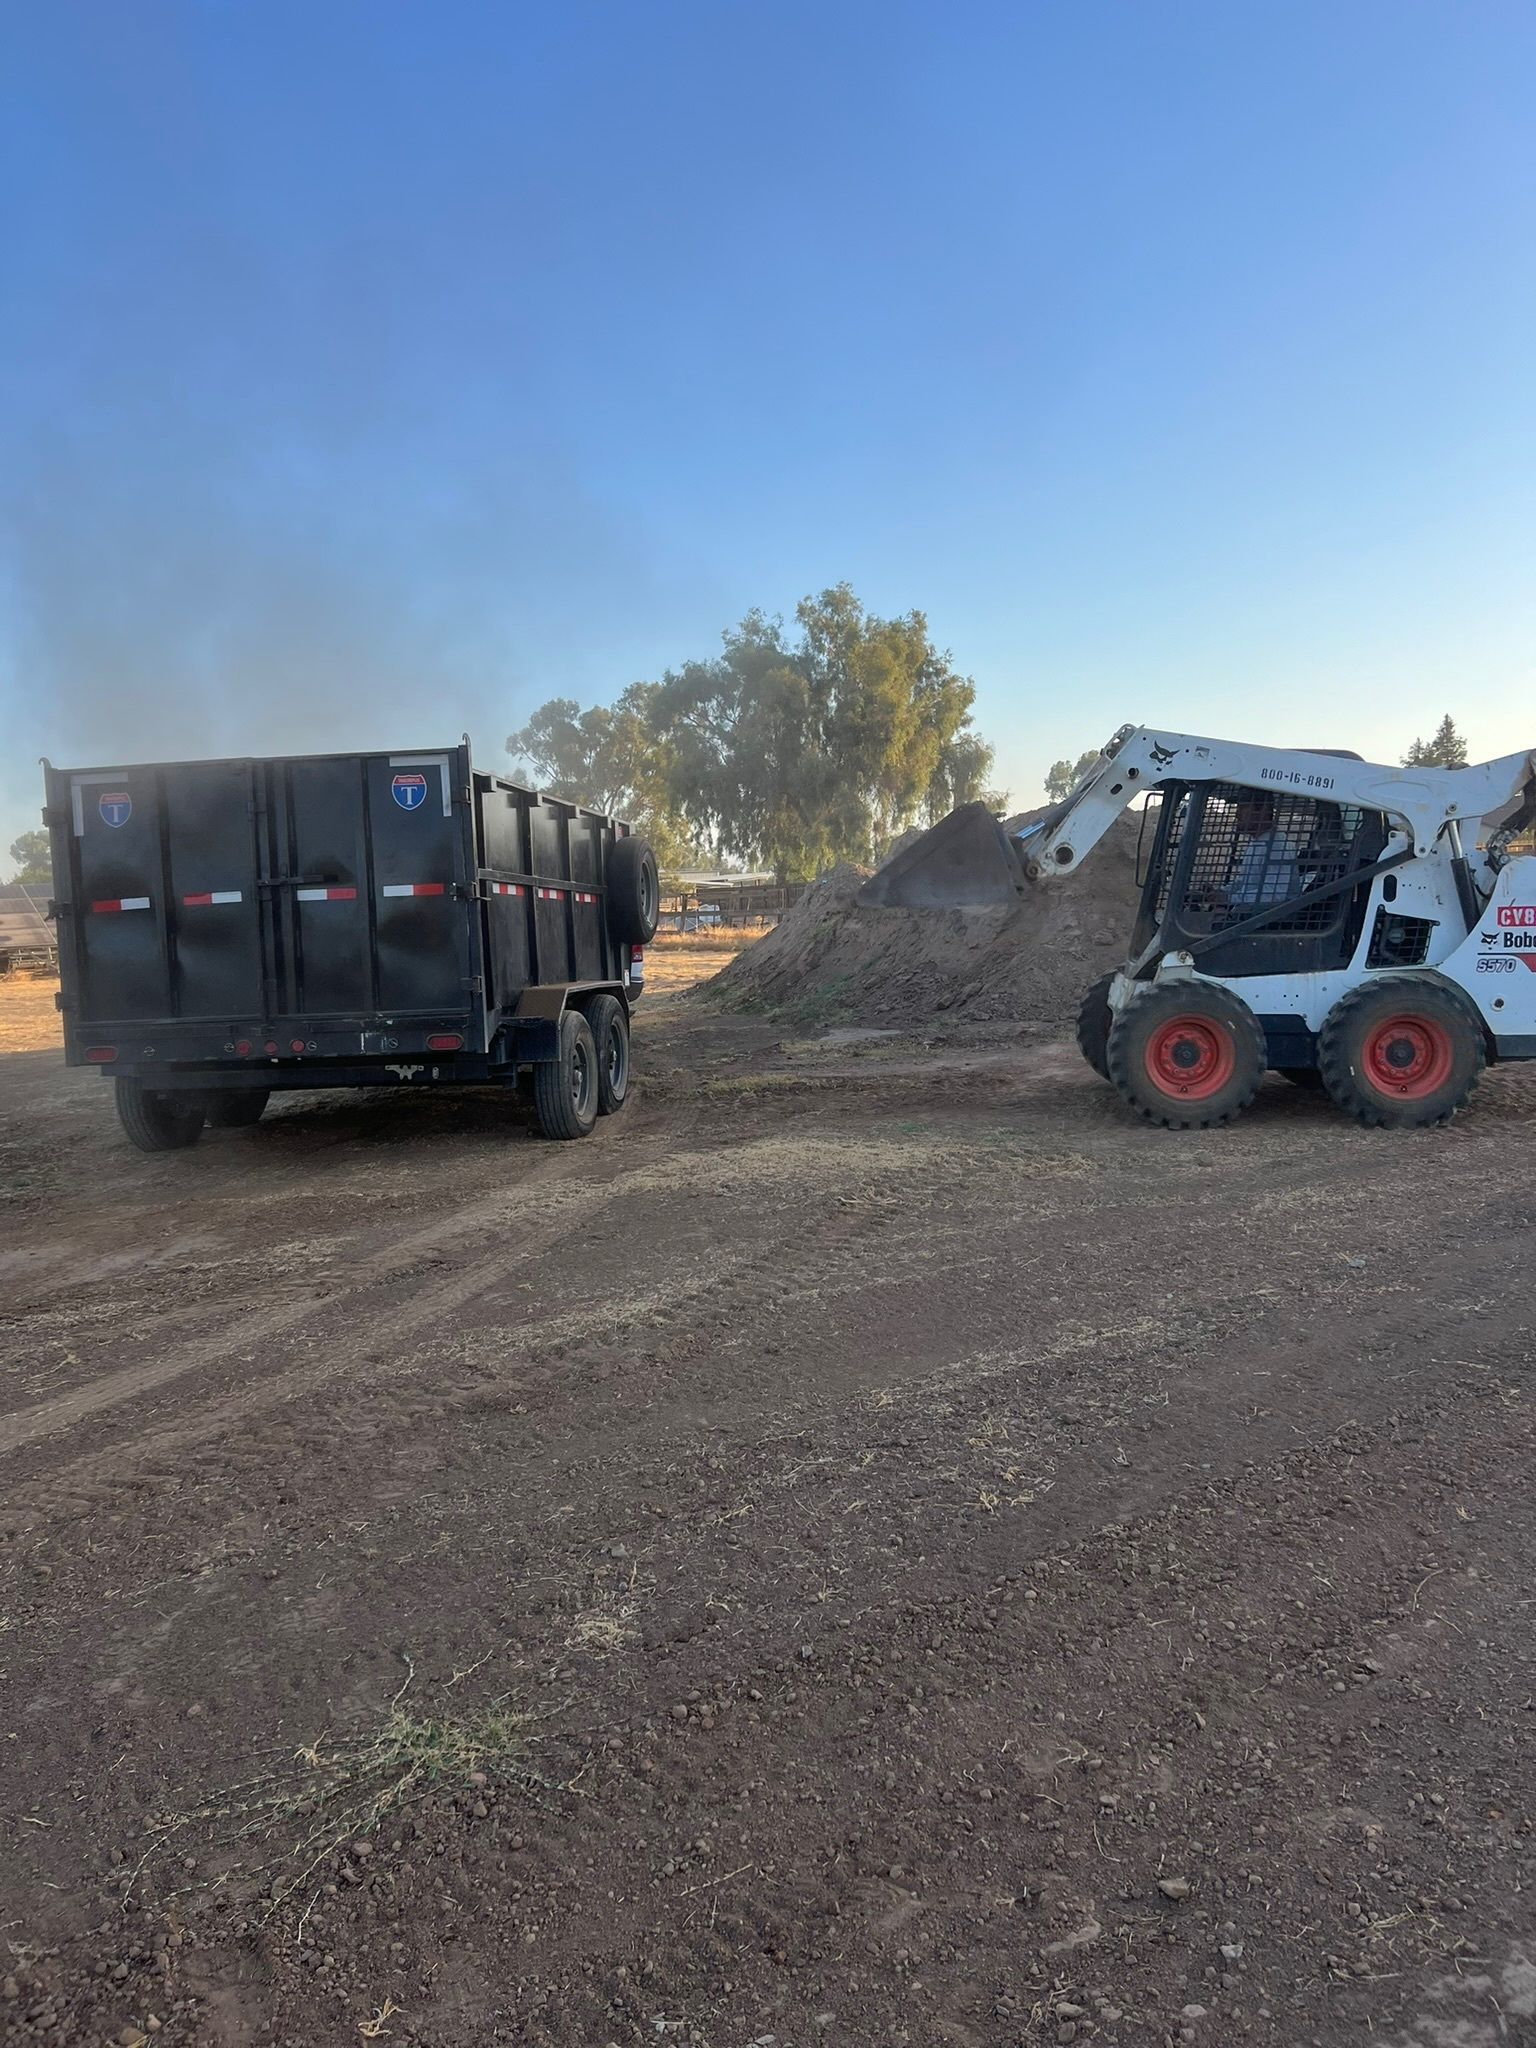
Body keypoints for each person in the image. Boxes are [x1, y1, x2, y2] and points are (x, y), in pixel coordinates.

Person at [1223, 792, 1299, 911]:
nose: (1237, 814)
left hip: (1268, 921)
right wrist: (1222, 893)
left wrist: (1230, 898)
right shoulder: (1257, 842)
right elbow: (1245, 882)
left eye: (1243, 808)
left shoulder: (1277, 846)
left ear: (1263, 810)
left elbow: (1275, 894)